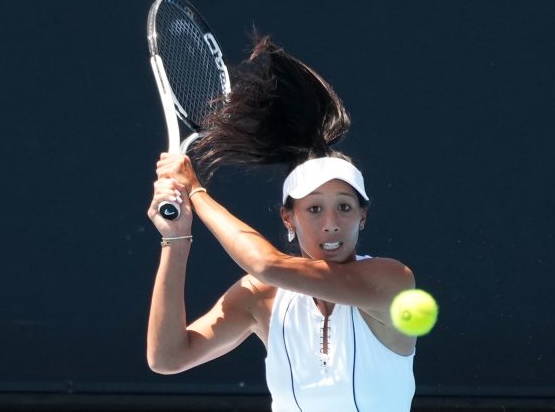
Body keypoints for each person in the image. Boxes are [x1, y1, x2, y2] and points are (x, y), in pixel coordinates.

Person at [147, 36, 416, 411]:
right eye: (314, 209)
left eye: (344, 207)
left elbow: (267, 264)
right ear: (288, 217)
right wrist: (177, 239)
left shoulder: (392, 280)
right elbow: (168, 358)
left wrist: (196, 192)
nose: (332, 223)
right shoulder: (262, 296)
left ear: (363, 216)